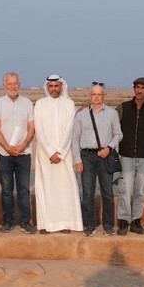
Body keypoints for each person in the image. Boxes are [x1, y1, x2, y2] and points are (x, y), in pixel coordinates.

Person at [32, 75, 83, 233]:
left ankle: (65, 223)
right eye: (51, 86)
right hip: (45, 154)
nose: (53, 89)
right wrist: (50, 151)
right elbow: (39, 130)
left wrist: (59, 152)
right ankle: (45, 224)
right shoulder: (40, 104)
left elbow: (69, 130)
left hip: (64, 154)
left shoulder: (69, 104)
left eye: (56, 86)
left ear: (61, 86)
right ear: (47, 87)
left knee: (64, 188)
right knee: (45, 188)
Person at [71, 82, 122, 236]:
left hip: (105, 156)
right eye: (94, 94)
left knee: (107, 192)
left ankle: (107, 225)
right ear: (90, 95)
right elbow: (75, 139)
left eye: (99, 94)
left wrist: (109, 148)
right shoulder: (81, 114)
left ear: (104, 96)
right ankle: (89, 224)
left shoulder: (112, 113)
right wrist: (77, 160)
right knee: (87, 192)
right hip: (86, 156)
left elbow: (118, 134)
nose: (97, 97)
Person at [0, 71, 36, 233]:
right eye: (9, 84)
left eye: (15, 83)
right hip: (4, 154)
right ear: (4, 85)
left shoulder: (28, 103)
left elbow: (32, 127)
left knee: (24, 190)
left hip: (24, 154)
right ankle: (8, 221)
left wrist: (23, 145)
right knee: (7, 190)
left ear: (19, 85)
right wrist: (8, 148)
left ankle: (25, 222)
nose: (12, 86)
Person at [115, 76, 144, 235]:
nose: (139, 90)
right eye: (137, 87)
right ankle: (123, 221)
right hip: (126, 155)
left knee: (141, 190)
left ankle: (136, 222)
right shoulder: (123, 108)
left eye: (143, 88)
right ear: (134, 89)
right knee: (125, 190)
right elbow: (114, 126)